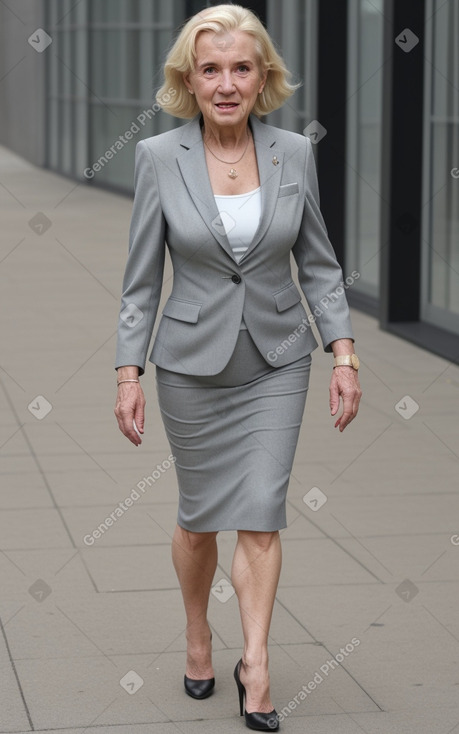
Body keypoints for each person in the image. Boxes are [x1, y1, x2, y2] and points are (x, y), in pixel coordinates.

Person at [114, 4, 361, 731]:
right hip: (190, 365)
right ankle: (199, 635)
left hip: (278, 359)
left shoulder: (293, 151)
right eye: (211, 68)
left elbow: (317, 265)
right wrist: (127, 373)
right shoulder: (159, 158)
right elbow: (138, 282)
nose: (226, 83)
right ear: (188, 79)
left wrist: (342, 354)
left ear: (263, 77)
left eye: (241, 68)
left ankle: (254, 663)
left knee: (260, 513)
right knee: (199, 521)